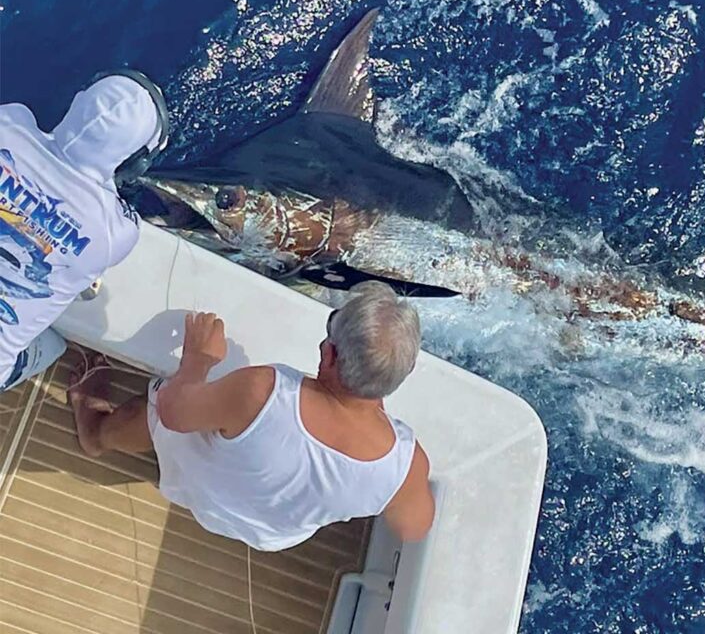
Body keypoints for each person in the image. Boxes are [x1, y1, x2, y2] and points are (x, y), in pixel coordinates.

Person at [70, 282, 436, 549]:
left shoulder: (264, 391)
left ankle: (96, 434)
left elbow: (173, 413)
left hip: (203, 491)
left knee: (160, 400)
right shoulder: (406, 466)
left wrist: (198, 359)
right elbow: (413, 529)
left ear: (329, 355)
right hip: (267, 535)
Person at [0, 72, 168, 392]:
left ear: (76, 103)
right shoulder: (116, 233)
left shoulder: (9, 122)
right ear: (137, 163)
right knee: (54, 346)